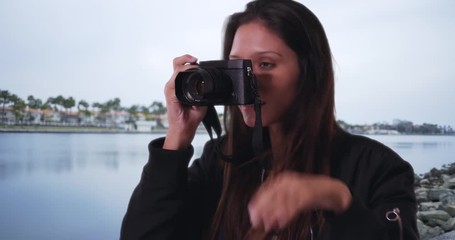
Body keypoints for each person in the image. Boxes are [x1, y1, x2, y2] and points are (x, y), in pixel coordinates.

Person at [120, 0, 419, 239]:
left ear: (309, 73)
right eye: (239, 67)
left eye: (266, 64)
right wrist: (177, 137)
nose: (249, 83)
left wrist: (337, 199)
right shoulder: (220, 163)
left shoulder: (376, 167)